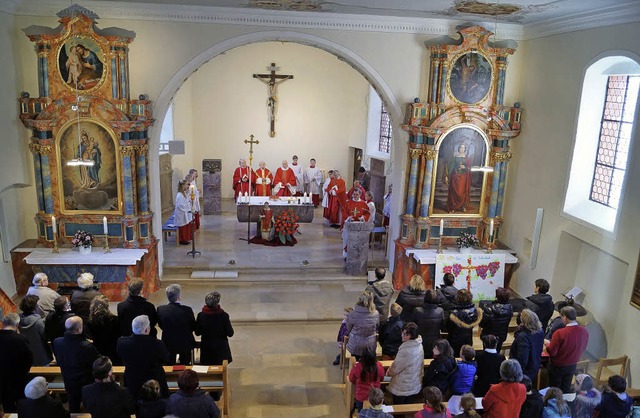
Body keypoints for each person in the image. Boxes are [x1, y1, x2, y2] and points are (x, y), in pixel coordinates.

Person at [52, 316, 100, 412]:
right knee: (90, 405)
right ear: (79, 329)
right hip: (85, 381)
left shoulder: (57, 342)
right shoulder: (86, 346)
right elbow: (96, 361)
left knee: (73, 405)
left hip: (68, 379)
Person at [117, 315, 170, 399]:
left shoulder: (122, 343)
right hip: (154, 383)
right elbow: (165, 359)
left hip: (132, 381)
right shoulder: (157, 344)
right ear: (146, 329)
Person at [544, 306, 589, 393]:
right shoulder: (584, 331)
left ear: (564, 317)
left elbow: (552, 352)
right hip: (572, 365)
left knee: (555, 391)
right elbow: (583, 347)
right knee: (566, 388)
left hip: (557, 367)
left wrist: (547, 344)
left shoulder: (560, 333)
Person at [0, 313, 33, 413]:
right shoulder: (21, 339)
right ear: (17, 324)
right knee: (21, 402)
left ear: (2, 324)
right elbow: (29, 358)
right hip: (18, 377)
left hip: (1, 378)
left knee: (7, 403)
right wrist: (24, 371)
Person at [157, 284, 196, 365]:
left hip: (168, 342)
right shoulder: (187, 310)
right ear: (178, 297)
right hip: (185, 342)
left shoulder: (161, 310)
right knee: (185, 363)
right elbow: (192, 326)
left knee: (169, 364)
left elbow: (161, 325)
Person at [387, 322, 424, 404]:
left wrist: (388, 373)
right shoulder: (419, 344)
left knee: (398, 407)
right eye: (402, 333)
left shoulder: (406, 350)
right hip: (414, 381)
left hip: (403, 385)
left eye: (406, 334)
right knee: (407, 403)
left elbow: (395, 368)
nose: (402, 336)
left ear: (412, 335)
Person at [195, 291, 235, 365]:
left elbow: (197, 333)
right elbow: (230, 333)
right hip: (221, 351)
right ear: (217, 303)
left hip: (207, 350)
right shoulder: (224, 316)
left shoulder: (201, 316)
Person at [511, 308, 545, 383]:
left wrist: (517, 372)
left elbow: (523, 357)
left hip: (524, 371)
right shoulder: (540, 331)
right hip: (535, 364)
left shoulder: (523, 336)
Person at [446, 289, 482, 357]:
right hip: (468, 339)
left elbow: (448, 328)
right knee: (466, 357)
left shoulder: (454, 314)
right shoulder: (475, 312)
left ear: (457, 299)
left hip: (454, 341)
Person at [19, 295, 53, 366]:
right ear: (34, 308)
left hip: (27, 351)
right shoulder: (38, 322)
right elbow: (45, 337)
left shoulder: (19, 319)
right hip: (41, 352)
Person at [348, 347, 385, 412]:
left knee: (362, 412)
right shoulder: (379, 367)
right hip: (375, 396)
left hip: (361, 396)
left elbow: (351, 378)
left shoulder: (357, 367)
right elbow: (382, 378)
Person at [88, 294, 122, 364]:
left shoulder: (91, 322)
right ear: (107, 306)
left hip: (98, 352)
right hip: (113, 352)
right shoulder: (115, 320)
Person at [411, 289, 445, 359]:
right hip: (435, 342)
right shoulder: (440, 311)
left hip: (420, 341)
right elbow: (443, 327)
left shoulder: (417, 310)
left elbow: (413, 326)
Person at [346, 291, 379, 359]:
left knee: (356, 361)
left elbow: (348, 328)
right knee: (368, 363)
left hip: (356, 343)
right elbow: (377, 326)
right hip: (370, 343)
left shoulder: (353, 313)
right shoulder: (376, 313)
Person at [479, 287, 514, 352]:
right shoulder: (510, 308)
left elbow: (482, 323)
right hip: (501, 336)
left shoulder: (489, 308)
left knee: (486, 352)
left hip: (488, 335)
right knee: (497, 351)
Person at [445, 143, 472, 213]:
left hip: (463, 177)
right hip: (455, 177)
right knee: (454, 191)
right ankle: (453, 206)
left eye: (463, 148)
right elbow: (450, 168)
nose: (462, 149)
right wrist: (447, 176)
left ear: (465, 149)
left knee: (461, 192)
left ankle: (462, 206)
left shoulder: (467, 159)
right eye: (461, 148)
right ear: (458, 149)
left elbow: (469, 168)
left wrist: (465, 167)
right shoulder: (454, 158)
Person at [173, 179, 193, 245]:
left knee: (185, 225)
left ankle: (185, 238)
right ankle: (182, 239)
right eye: (187, 184)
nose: (188, 186)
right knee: (183, 227)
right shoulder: (179, 195)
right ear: (183, 185)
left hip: (184, 213)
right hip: (181, 214)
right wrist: (188, 208)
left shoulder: (183, 193)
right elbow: (180, 206)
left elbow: (186, 201)